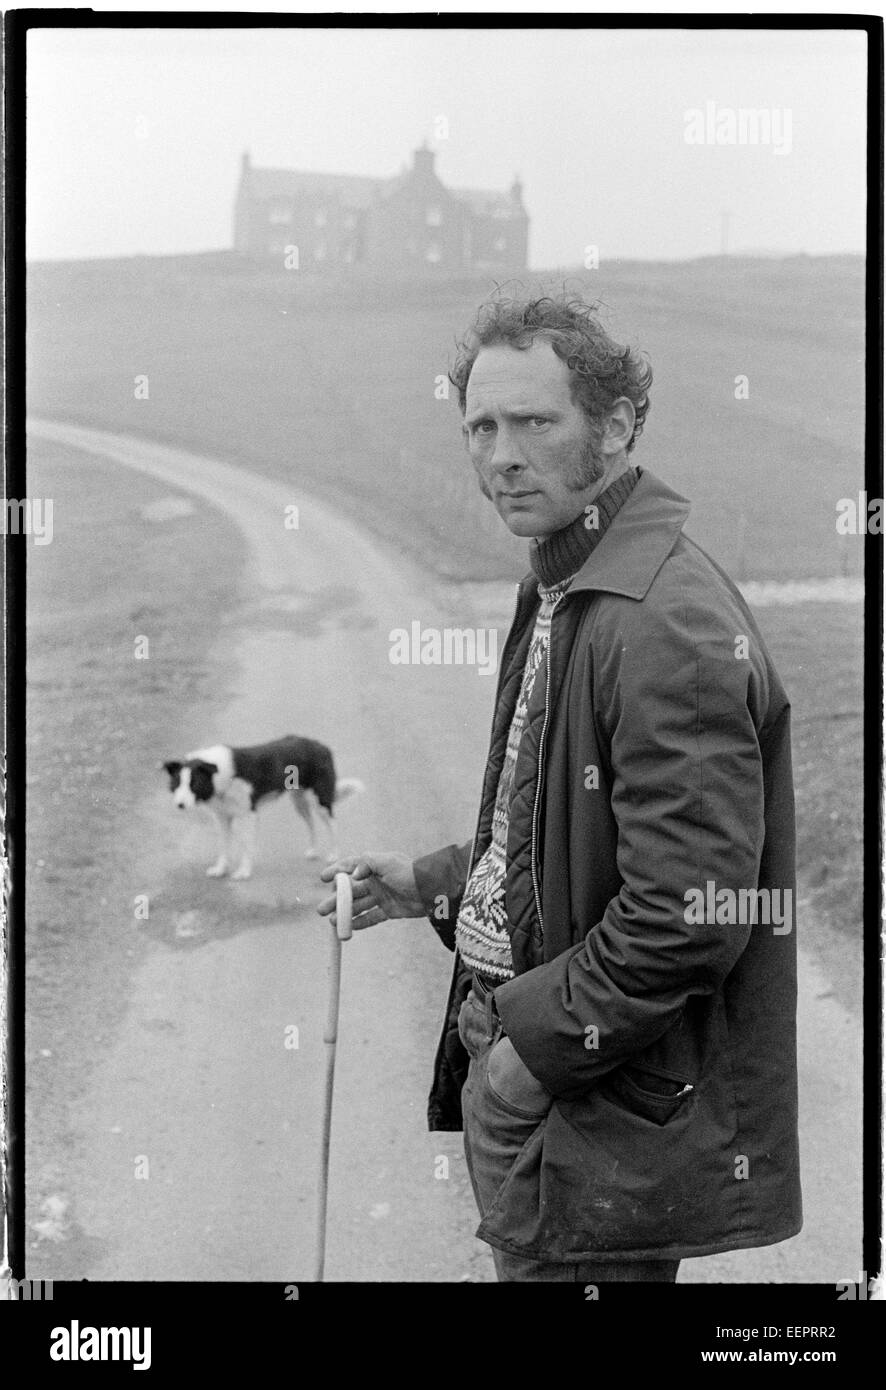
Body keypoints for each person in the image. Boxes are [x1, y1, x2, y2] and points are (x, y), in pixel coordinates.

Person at [318, 292, 802, 1283]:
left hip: (592, 1097)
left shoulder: (659, 617)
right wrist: (427, 882)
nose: (500, 453)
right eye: (480, 426)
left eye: (534, 421)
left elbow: (687, 915)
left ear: (616, 423)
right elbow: (548, 832)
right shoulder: (562, 581)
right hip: (547, 1067)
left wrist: (520, 1059)